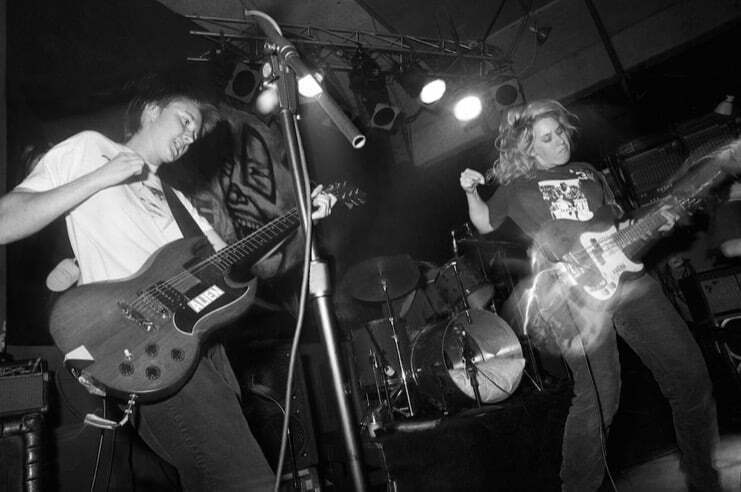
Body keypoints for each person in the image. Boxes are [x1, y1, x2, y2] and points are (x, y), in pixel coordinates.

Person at [0, 75, 337, 491]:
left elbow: (237, 262)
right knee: (247, 479)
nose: (189, 136)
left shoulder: (180, 200)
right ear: (151, 111)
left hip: (198, 347)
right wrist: (100, 177)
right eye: (184, 120)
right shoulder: (91, 148)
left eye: (195, 133)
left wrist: (299, 218)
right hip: (141, 342)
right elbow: (6, 221)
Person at [459, 99, 721, 491]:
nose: (559, 141)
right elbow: (483, 222)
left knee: (690, 377)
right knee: (600, 397)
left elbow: (616, 225)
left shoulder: (587, 171)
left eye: (560, 132)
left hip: (629, 281)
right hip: (574, 294)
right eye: (547, 138)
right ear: (529, 148)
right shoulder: (516, 187)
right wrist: (471, 191)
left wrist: (656, 223)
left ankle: (703, 479)